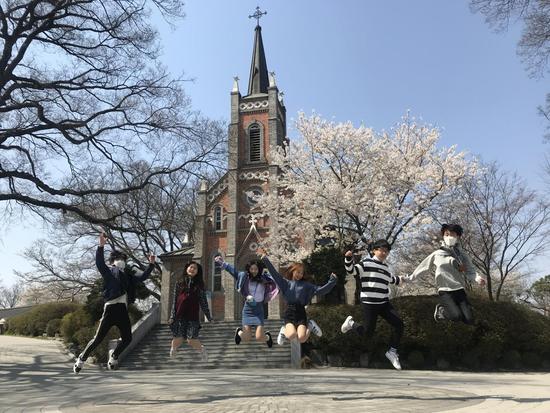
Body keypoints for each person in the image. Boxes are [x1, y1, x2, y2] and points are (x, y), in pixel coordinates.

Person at [73, 232, 155, 373]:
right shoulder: (109, 272)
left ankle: (114, 356)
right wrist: (101, 246)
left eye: (123, 258)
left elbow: (142, 277)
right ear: (112, 261)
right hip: (110, 308)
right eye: (118, 259)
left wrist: (151, 264)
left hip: (122, 310)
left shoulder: (129, 276)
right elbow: (99, 263)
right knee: (98, 339)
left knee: (128, 338)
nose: (121, 260)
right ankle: (81, 359)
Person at [340, 239, 406, 370]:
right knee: (367, 333)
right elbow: (352, 271)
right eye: (381, 250)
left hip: (383, 303)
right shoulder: (366, 263)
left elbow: (393, 280)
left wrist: (403, 279)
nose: (384, 253)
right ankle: (351, 324)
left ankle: (392, 352)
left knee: (399, 324)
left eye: (386, 251)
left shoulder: (386, 268)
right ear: (374, 250)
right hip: (369, 303)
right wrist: (348, 258)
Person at [408, 223, 486, 324]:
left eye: (452, 234)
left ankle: (461, 309)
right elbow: (423, 268)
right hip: (445, 290)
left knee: (469, 320)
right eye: (446, 234)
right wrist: (409, 278)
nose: (449, 237)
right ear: (443, 236)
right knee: (456, 316)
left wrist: (478, 279)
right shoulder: (437, 254)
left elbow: (470, 271)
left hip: (459, 289)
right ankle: (442, 310)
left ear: (458, 236)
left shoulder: (462, 255)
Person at [258, 248, 337, 345]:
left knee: (302, 338)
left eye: (302, 273)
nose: (300, 274)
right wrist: (265, 259)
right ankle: (284, 330)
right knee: (291, 335)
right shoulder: (285, 283)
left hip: (301, 313)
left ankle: (310, 325)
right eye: (298, 272)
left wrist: (332, 282)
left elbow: (321, 291)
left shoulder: (307, 285)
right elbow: (274, 274)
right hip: (289, 312)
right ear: (293, 271)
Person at [215, 256, 279, 347]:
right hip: (248, 310)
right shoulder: (244, 277)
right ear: (249, 269)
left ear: (259, 269)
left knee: (259, 337)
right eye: (251, 269)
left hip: (259, 310)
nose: (253, 271)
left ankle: (268, 337)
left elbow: (276, 277)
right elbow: (234, 272)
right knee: (246, 338)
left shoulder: (265, 279)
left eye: (255, 269)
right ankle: (239, 332)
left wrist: (267, 261)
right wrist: (224, 264)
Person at [168, 260, 212, 362]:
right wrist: (172, 316)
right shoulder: (179, 283)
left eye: (195, 268)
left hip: (192, 316)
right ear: (187, 268)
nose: (192, 269)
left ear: (197, 271)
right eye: (190, 267)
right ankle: (174, 349)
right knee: (178, 338)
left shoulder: (199, 285)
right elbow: (174, 300)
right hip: (180, 315)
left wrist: (209, 316)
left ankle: (202, 350)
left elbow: (203, 302)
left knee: (191, 340)